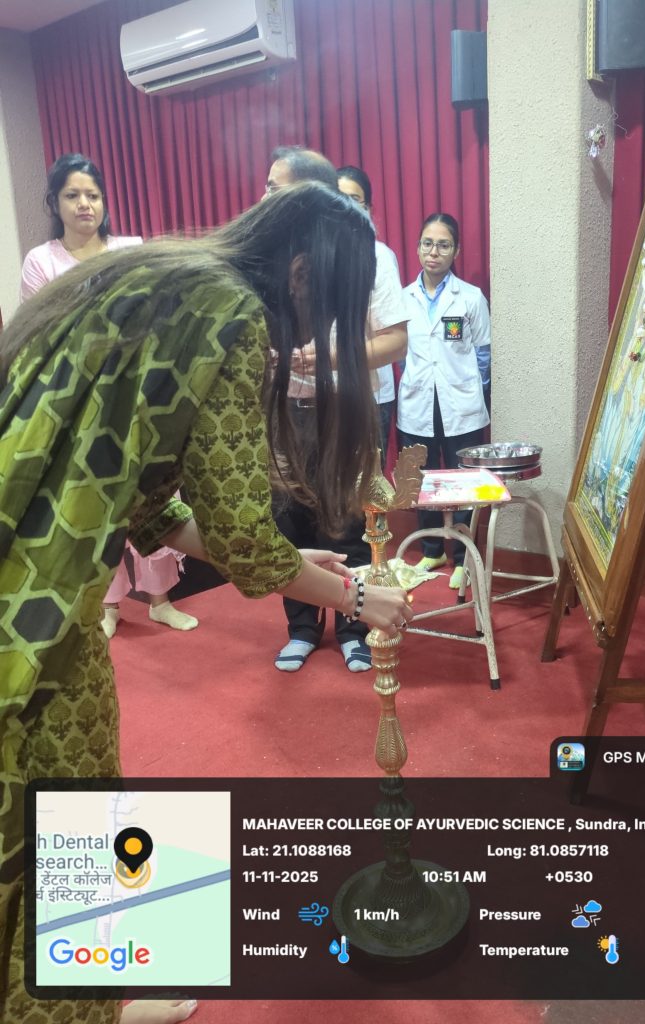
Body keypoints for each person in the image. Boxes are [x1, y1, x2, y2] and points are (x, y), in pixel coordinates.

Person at [0, 182, 414, 1024]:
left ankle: (101, 986)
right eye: (329, 310)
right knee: (62, 818)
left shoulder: (164, 275)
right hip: (32, 621)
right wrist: (358, 595)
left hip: (30, 581)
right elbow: (248, 540)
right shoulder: (235, 315)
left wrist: (289, 562)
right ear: (301, 276)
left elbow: (153, 507)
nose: (313, 336)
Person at [21, 152, 198, 638]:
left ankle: (161, 600)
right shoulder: (41, 261)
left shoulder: (130, 249)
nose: (85, 204)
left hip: (140, 395)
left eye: (93, 195)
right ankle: (109, 602)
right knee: (97, 501)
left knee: (153, 493)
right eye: (73, 195)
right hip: (79, 403)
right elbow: (42, 333)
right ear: (55, 203)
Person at [264, 148, 408, 674]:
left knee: (347, 521)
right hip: (282, 408)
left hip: (344, 406)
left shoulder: (371, 255)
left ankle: (353, 626)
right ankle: (302, 628)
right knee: (289, 518)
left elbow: (395, 341)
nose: (265, 198)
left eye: (275, 188)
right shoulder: (268, 254)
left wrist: (327, 356)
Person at [397, 212, 491, 590]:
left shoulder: (470, 297)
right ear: (418, 247)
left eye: (443, 245)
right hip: (417, 404)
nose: (433, 252)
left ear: (456, 251)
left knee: (463, 483)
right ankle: (432, 549)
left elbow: (483, 353)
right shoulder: (403, 298)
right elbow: (399, 354)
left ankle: (463, 558)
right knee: (421, 481)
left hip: (460, 406)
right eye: (427, 243)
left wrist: (473, 392)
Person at [337, 164, 405, 464]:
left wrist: (333, 358)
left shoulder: (378, 256)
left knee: (366, 483)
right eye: (338, 198)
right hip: (317, 396)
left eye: (355, 200)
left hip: (366, 395)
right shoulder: (309, 254)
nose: (345, 208)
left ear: (368, 208)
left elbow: (396, 341)